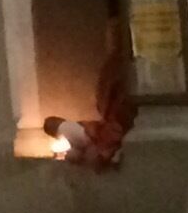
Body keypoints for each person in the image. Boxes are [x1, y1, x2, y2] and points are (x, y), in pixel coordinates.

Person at [43, 17, 137, 169]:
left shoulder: (120, 68)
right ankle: (77, 148)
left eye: (112, 36)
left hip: (108, 135)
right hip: (103, 132)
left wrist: (98, 137)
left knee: (57, 128)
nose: (109, 40)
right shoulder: (114, 66)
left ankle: (78, 148)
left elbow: (113, 115)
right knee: (54, 125)